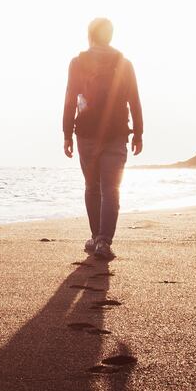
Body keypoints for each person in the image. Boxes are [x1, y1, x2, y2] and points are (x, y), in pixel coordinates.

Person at [62, 17, 143, 260]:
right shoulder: (124, 63)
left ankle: (97, 237)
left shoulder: (78, 63)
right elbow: (134, 100)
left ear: (90, 35)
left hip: (86, 133)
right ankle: (103, 241)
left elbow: (69, 99)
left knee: (92, 187)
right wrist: (138, 132)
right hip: (117, 133)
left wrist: (66, 134)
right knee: (111, 189)